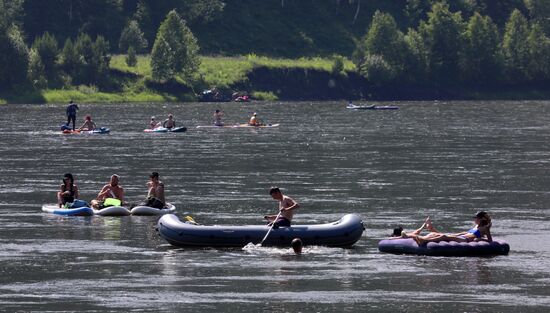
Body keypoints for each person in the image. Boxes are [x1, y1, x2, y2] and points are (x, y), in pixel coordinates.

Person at [395, 212, 493, 245]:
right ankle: (408, 235)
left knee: (444, 236)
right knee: (434, 234)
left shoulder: (485, 228)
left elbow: (490, 240)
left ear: (480, 219)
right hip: (461, 236)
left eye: (476, 218)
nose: (474, 220)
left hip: (466, 240)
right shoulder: (476, 226)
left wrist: (480, 239)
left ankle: (423, 240)